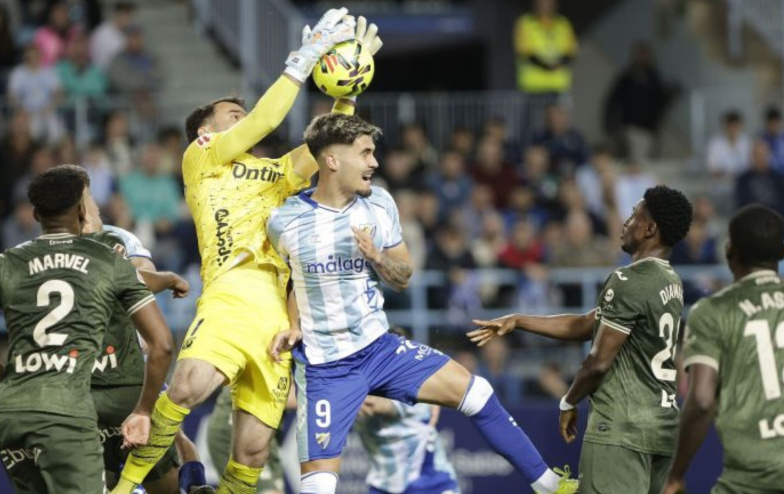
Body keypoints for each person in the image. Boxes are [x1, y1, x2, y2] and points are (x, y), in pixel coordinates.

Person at [109, 9, 366, 494]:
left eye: (243, 117)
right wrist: (302, 60)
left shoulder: (272, 173)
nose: (245, 122)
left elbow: (326, 152)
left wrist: (345, 96)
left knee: (252, 451)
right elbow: (271, 115)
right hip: (228, 295)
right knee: (185, 388)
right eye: (233, 117)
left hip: (275, 312)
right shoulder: (201, 158)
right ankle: (122, 491)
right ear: (207, 132)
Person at [266, 112, 577, 494]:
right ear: (332, 160)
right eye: (365, 153)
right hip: (327, 368)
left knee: (476, 392)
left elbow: (405, 275)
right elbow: (291, 280)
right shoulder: (285, 220)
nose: (374, 163)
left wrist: (378, 259)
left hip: (380, 348)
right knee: (318, 487)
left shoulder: (378, 203)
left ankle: (552, 487)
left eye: (374, 153)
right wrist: (294, 324)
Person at [0, 165, 174, 494]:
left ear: (34, 214)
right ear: (83, 210)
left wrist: (9, 377)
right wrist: (143, 409)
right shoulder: (108, 261)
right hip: (67, 412)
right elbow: (162, 345)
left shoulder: (3, 263)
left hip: (11, 418)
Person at [470, 185, 694, 494]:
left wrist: (569, 399)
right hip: (661, 427)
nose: (625, 223)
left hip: (621, 428)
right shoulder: (671, 281)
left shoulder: (628, 281)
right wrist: (519, 320)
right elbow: (587, 323)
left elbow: (599, 361)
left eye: (633, 216)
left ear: (650, 228)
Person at [662, 204, 784, 494]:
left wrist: (675, 474)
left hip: (752, 477)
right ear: (781, 253)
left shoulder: (712, 312)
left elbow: (702, 399)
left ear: (730, 251)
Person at [80, 193, 197, 494]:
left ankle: (195, 485)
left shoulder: (118, 238)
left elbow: (144, 274)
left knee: (170, 443)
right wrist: (170, 279)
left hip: (128, 367)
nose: (96, 203)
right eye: (88, 198)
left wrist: (144, 328)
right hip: (87, 381)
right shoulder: (60, 250)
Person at [355, 327, 460, 494]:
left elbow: (380, 406)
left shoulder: (415, 386)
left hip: (431, 483)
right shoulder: (359, 386)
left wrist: (346, 398)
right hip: (382, 485)